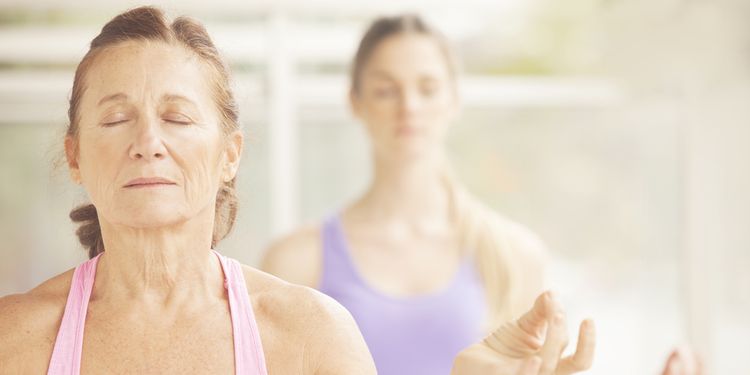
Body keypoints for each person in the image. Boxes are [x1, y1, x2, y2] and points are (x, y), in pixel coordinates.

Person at [0, 7, 594, 375]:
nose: (148, 141)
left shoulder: (312, 335)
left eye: (178, 118)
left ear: (230, 154)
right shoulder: (14, 340)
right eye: (115, 118)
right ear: (74, 153)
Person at [262, 14, 594, 375]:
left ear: (453, 99)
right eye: (386, 90)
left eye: (428, 88)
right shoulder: (294, 262)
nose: (409, 107)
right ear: (355, 102)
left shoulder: (515, 256)